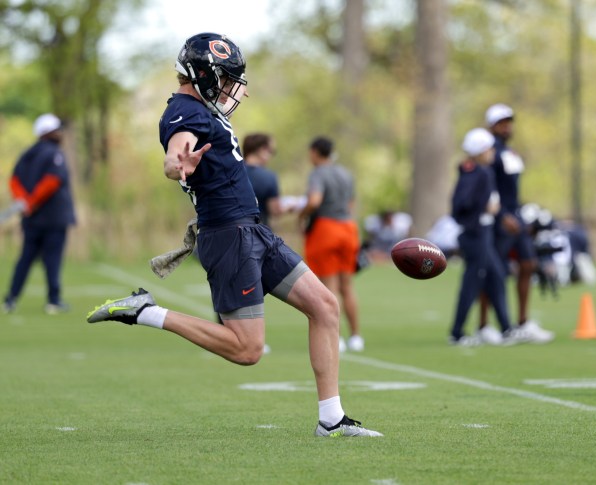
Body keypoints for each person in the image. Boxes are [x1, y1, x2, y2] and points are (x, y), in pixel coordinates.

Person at [86, 33, 381, 438]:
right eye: (224, 79)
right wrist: (179, 165)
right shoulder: (183, 113)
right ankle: (145, 311)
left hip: (253, 230)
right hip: (228, 235)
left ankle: (331, 419)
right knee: (247, 350)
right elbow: (175, 157)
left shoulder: (203, 109)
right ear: (202, 75)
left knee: (325, 307)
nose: (229, 89)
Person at [477, 104, 555, 344]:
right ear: (492, 126)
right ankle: (484, 325)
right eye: (502, 123)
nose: (507, 127)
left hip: (516, 216)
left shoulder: (510, 152)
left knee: (528, 263)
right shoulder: (489, 153)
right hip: (501, 219)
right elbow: (487, 188)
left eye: (509, 122)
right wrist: (501, 216)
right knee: (494, 271)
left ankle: (522, 321)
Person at [3, 114, 76, 315]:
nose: (60, 133)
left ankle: (10, 299)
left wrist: (25, 202)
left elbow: (14, 181)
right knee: (52, 259)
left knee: (25, 258)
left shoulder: (27, 154)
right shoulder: (55, 153)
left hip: (32, 218)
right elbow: (52, 181)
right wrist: (31, 202)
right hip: (53, 217)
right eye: (57, 130)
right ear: (48, 133)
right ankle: (53, 301)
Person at [449, 128, 516, 346]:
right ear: (480, 151)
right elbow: (461, 204)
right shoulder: (480, 173)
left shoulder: (474, 171)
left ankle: (507, 328)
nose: (492, 153)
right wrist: (486, 208)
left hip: (481, 233)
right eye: (488, 149)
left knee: (496, 277)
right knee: (472, 282)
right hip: (476, 234)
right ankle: (457, 332)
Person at [298, 137, 364, 353]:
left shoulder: (318, 173)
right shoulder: (345, 173)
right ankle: (356, 336)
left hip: (326, 229)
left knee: (329, 288)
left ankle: (336, 338)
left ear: (316, 152)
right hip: (348, 228)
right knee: (347, 286)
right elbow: (351, 204)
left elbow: (315, 201)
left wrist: (303, 214)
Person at [242, 133, 282, 227]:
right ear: (262, 149)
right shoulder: (268, 176)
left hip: (231, 233)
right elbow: (274, 210)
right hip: (259, 233)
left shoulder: (231, 172)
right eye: (271, 151)